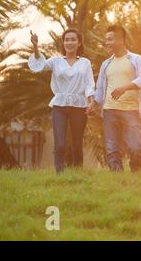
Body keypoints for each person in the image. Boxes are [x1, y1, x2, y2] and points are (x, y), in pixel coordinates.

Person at [28, 28, 95, 173]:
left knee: (77, 144)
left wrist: (91, 102)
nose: (69, 42)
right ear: (63, 43)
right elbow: (40, 65)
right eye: (66, 39)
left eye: (73, 39)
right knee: (60, 144)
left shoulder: (85, 63)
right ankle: (59, 174)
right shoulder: (56, 61)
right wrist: (35, 46)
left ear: (79, 43)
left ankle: (78, 173)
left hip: (79, 106)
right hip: (59, 105)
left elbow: (89, 84)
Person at [93, 25, 141, 172]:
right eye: (106, 39)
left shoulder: (136, 59)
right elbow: (100, 87)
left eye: (110, 39)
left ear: (121, 40)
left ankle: (136, 175)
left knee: (135, 147)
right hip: (109, 110)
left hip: (130, 110)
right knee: (112, 148)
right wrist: (94, 103)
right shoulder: (106, 64)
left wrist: (124, 88)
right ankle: (117, 179)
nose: (107, 42)